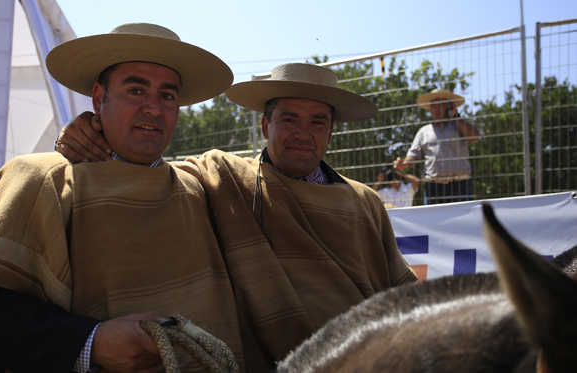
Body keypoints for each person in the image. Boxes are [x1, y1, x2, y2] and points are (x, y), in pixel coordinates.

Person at [0, 23, 246, 373]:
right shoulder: (42, 177)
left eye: (167, 95)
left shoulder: (203, 186)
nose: (153, 108)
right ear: (99, 98)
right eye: (135, 90)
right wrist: (90, 341)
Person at [57, 63, 418, 367]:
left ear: (331, 131)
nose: (303, 134)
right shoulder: (226, 178)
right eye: (289, 119)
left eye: (317, 122)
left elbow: (403, 294)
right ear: (265, 126)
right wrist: (90, 128)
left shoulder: (365, 201)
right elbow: (150, 167)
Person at [393, 89, 480, 204]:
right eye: (433, 106)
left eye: (440, 105)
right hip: (433, 187)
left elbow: (474, 136)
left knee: (463, 222)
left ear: (449, 107)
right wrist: (404, 163)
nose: (436, 109)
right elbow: (413, 156)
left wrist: (456, 117)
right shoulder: (424, 131)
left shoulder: (459, 125)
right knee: (433, 221)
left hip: (459, 184)